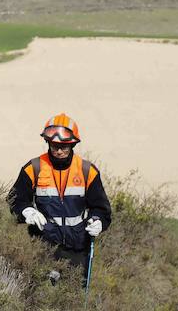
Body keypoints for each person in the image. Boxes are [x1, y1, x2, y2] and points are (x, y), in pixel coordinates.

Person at [8, 114, 112, 283]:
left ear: (73, 144)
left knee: (73, 297)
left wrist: (98, 221)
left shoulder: (87, 171)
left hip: (77, 249)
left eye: (64, 146)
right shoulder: (33, 168)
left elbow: (101, 208)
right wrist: (26, 211)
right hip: (42, 248)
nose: (59, 150)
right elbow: (15, 200)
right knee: (42, 298)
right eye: (54, 145)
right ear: (48, 142)